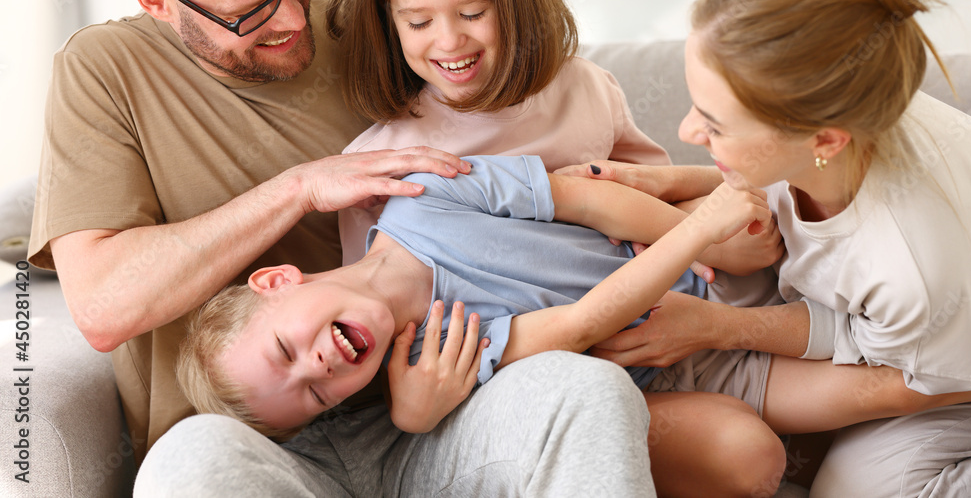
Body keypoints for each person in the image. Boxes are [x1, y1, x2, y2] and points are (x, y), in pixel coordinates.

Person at [27, 0, 660, 497]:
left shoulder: (373, 33)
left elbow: (527, 157)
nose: (295, 19)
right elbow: (102, 306)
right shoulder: (105, 70)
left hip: (447, 409)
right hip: (257, 442)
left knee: (586, 392)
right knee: (187, 464)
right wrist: (299, 188)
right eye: (250, 12)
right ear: (157, 2)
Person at [572, 0, 971, 496]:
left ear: (825, 138)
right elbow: (784, 188)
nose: (687, 133)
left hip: (964, 371)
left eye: (715, 126)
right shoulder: (852, 102)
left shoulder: (910, 264)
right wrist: (677, 183)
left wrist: (720, 328)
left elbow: (921, 375)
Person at [178, 154, 787, 496]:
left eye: (286, 349)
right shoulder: (431, 356)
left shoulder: (421, 196)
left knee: (773, 223)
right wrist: (700, 235)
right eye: (314, 396)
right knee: (773, 436)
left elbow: (585, 198)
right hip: (665, 328)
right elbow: (576, 328)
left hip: (667, 245)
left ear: (277, 280)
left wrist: (702, 233)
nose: (319, 366)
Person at [326, 0, 781, 281]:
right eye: (419, 23)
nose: (448, 42)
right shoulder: (381, 163)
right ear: (388, 24)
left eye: (472, 13)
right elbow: (367, 294)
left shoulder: (586, 89)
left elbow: (661, 193)